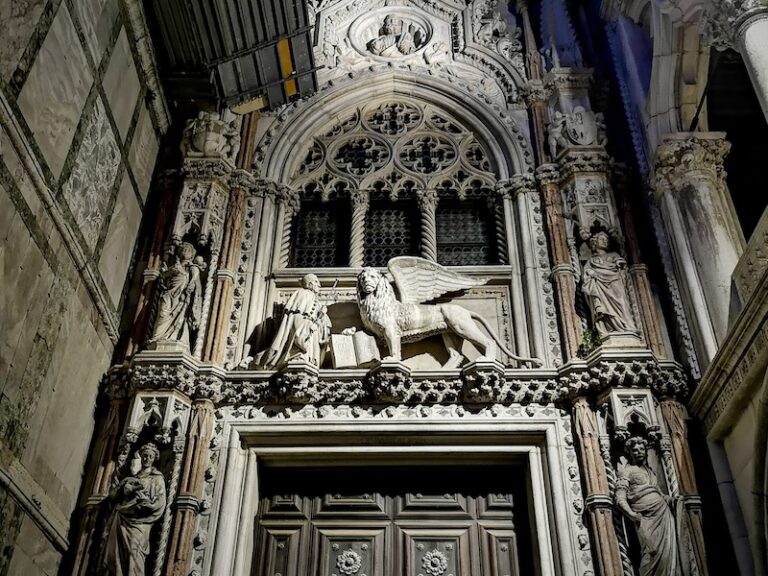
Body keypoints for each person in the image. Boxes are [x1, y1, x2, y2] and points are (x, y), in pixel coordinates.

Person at [615, 437, 680, 576]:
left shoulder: (650, 471)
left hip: (663, 514)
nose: (639, 452)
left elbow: (659, 493)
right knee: (651, 552)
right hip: (645, 518)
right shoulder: (627, 471)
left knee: (667, 553)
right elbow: (620, 498)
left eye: (641, 449)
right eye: (635, 450)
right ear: (629, 452)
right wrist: (632, 515)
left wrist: (672, 500)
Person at [105, 443, 166, 576]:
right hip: (122, 517)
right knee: (117, 554)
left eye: (150, 456)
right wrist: (123, 488)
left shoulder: (157, 479)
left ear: (154, 459)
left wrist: (147, 504)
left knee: (134, 552)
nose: (147, 459)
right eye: (145, 456)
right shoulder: (131, 478)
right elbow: (112, 496)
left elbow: (160, 502)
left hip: (140, 521)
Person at [262, 273, 331, 369]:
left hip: (309, 323)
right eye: (316, 282)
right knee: (300, 341)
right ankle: (297, 356)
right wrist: (309, 324)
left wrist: (322, 313)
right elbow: (298, 312)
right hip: (301, 321)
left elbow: (317, 317)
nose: (319, 285)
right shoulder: (302, 292)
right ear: (310, 284)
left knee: (310, 344)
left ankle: (305, 358)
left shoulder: (315, 299)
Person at [150, 242, 204, 348]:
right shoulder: (174, 266)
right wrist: (165, 273)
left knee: (180, 315)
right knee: (163, 312)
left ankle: (174, 337)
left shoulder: (192, 268)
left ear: (192, 255)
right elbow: (163, 277)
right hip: (169, 293)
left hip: (182, 297)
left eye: (188, 250)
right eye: (183, 249)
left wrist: (190, 285)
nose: (185, 252)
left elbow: (194, 282)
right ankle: (157, 338)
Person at [581, 230, 636, 336]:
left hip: (615, 282)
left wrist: (620, 264)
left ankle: (627, 326)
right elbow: (586, 275)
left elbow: (621, 264)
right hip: (600, 286)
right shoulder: (591, 261)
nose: (605, 241)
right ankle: (608, 328)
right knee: (603, 307)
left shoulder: (614, 255)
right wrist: (590, 273)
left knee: (622, 303)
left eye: (606, 239)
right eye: (601, 239)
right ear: (595, 242)